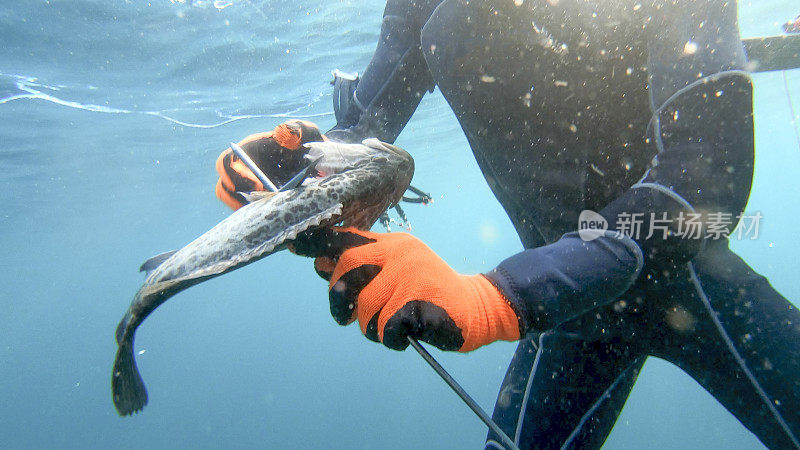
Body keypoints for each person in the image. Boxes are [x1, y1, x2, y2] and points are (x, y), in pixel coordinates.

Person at [215, 1, 800, 448]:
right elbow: (364, 136)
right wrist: (293, 168)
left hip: (666, 286)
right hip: (564, 309)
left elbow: (701, 188)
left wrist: (502, 297)